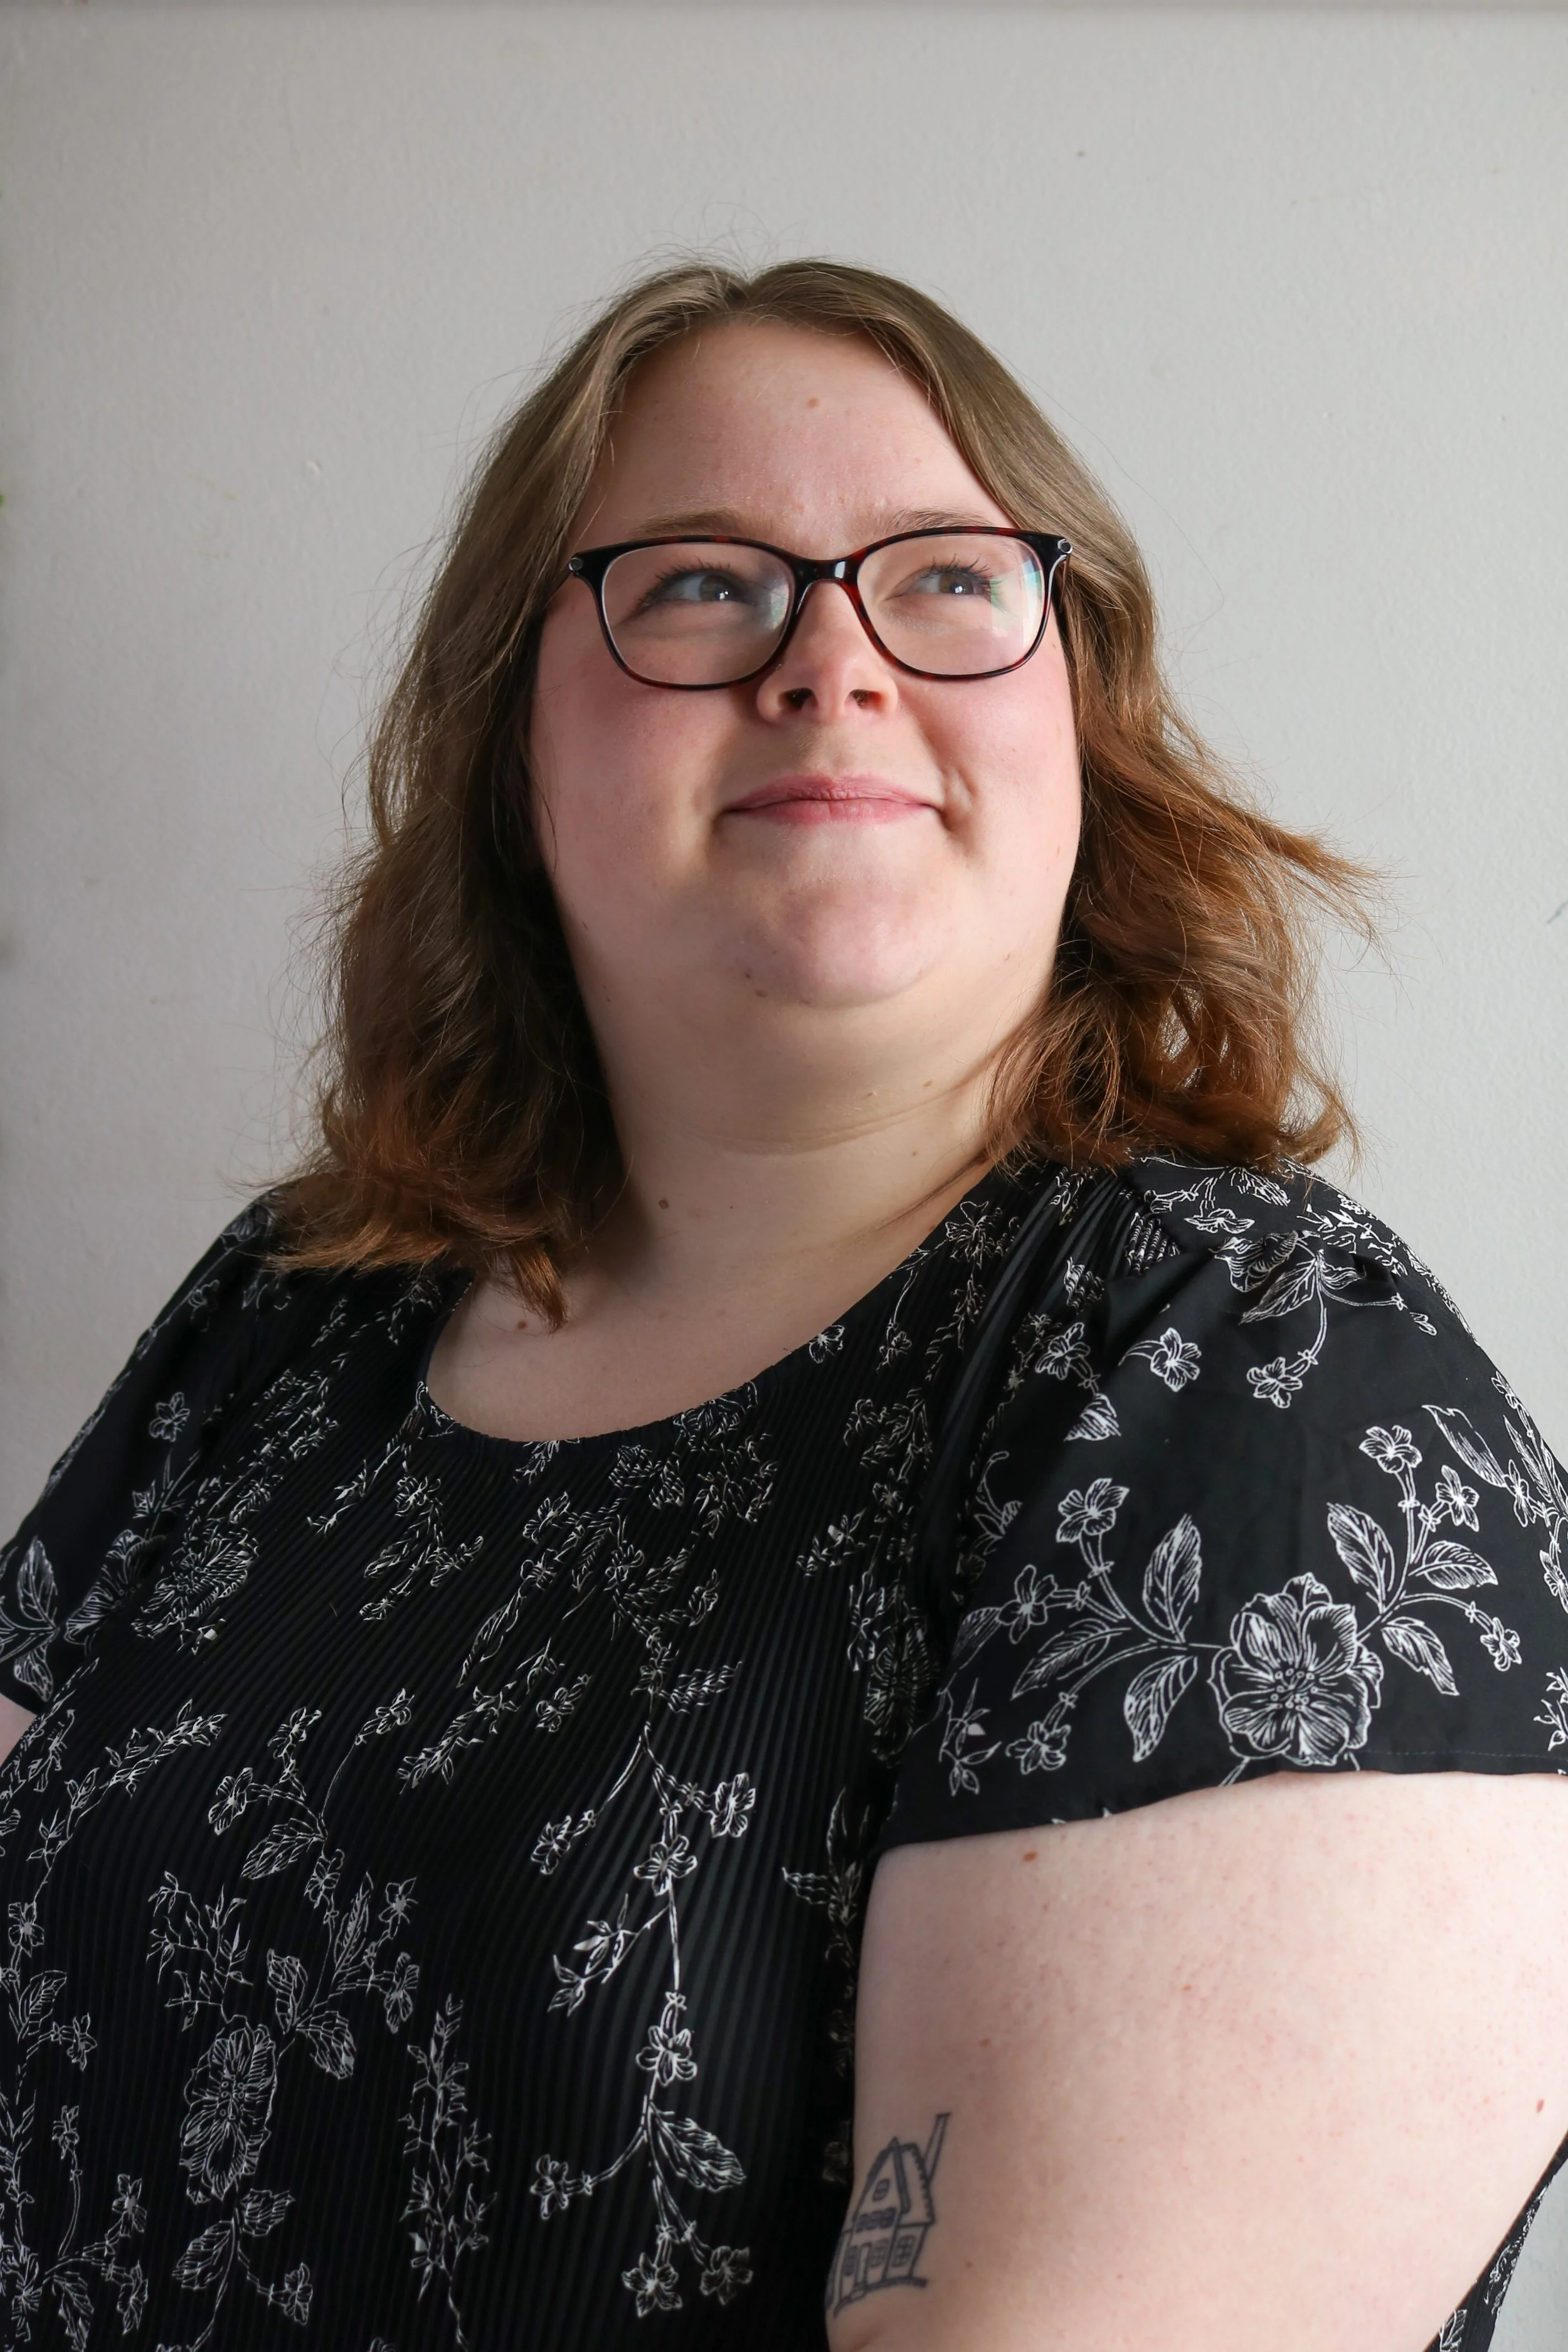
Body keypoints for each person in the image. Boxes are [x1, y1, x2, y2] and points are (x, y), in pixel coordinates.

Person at [2, 257, 1565, 2352]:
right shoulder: (287, 1326)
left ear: (1073, 698)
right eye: (704, 585)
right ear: (510, 726)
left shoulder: (1256, 1387)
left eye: (940, 579)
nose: (833, 665)